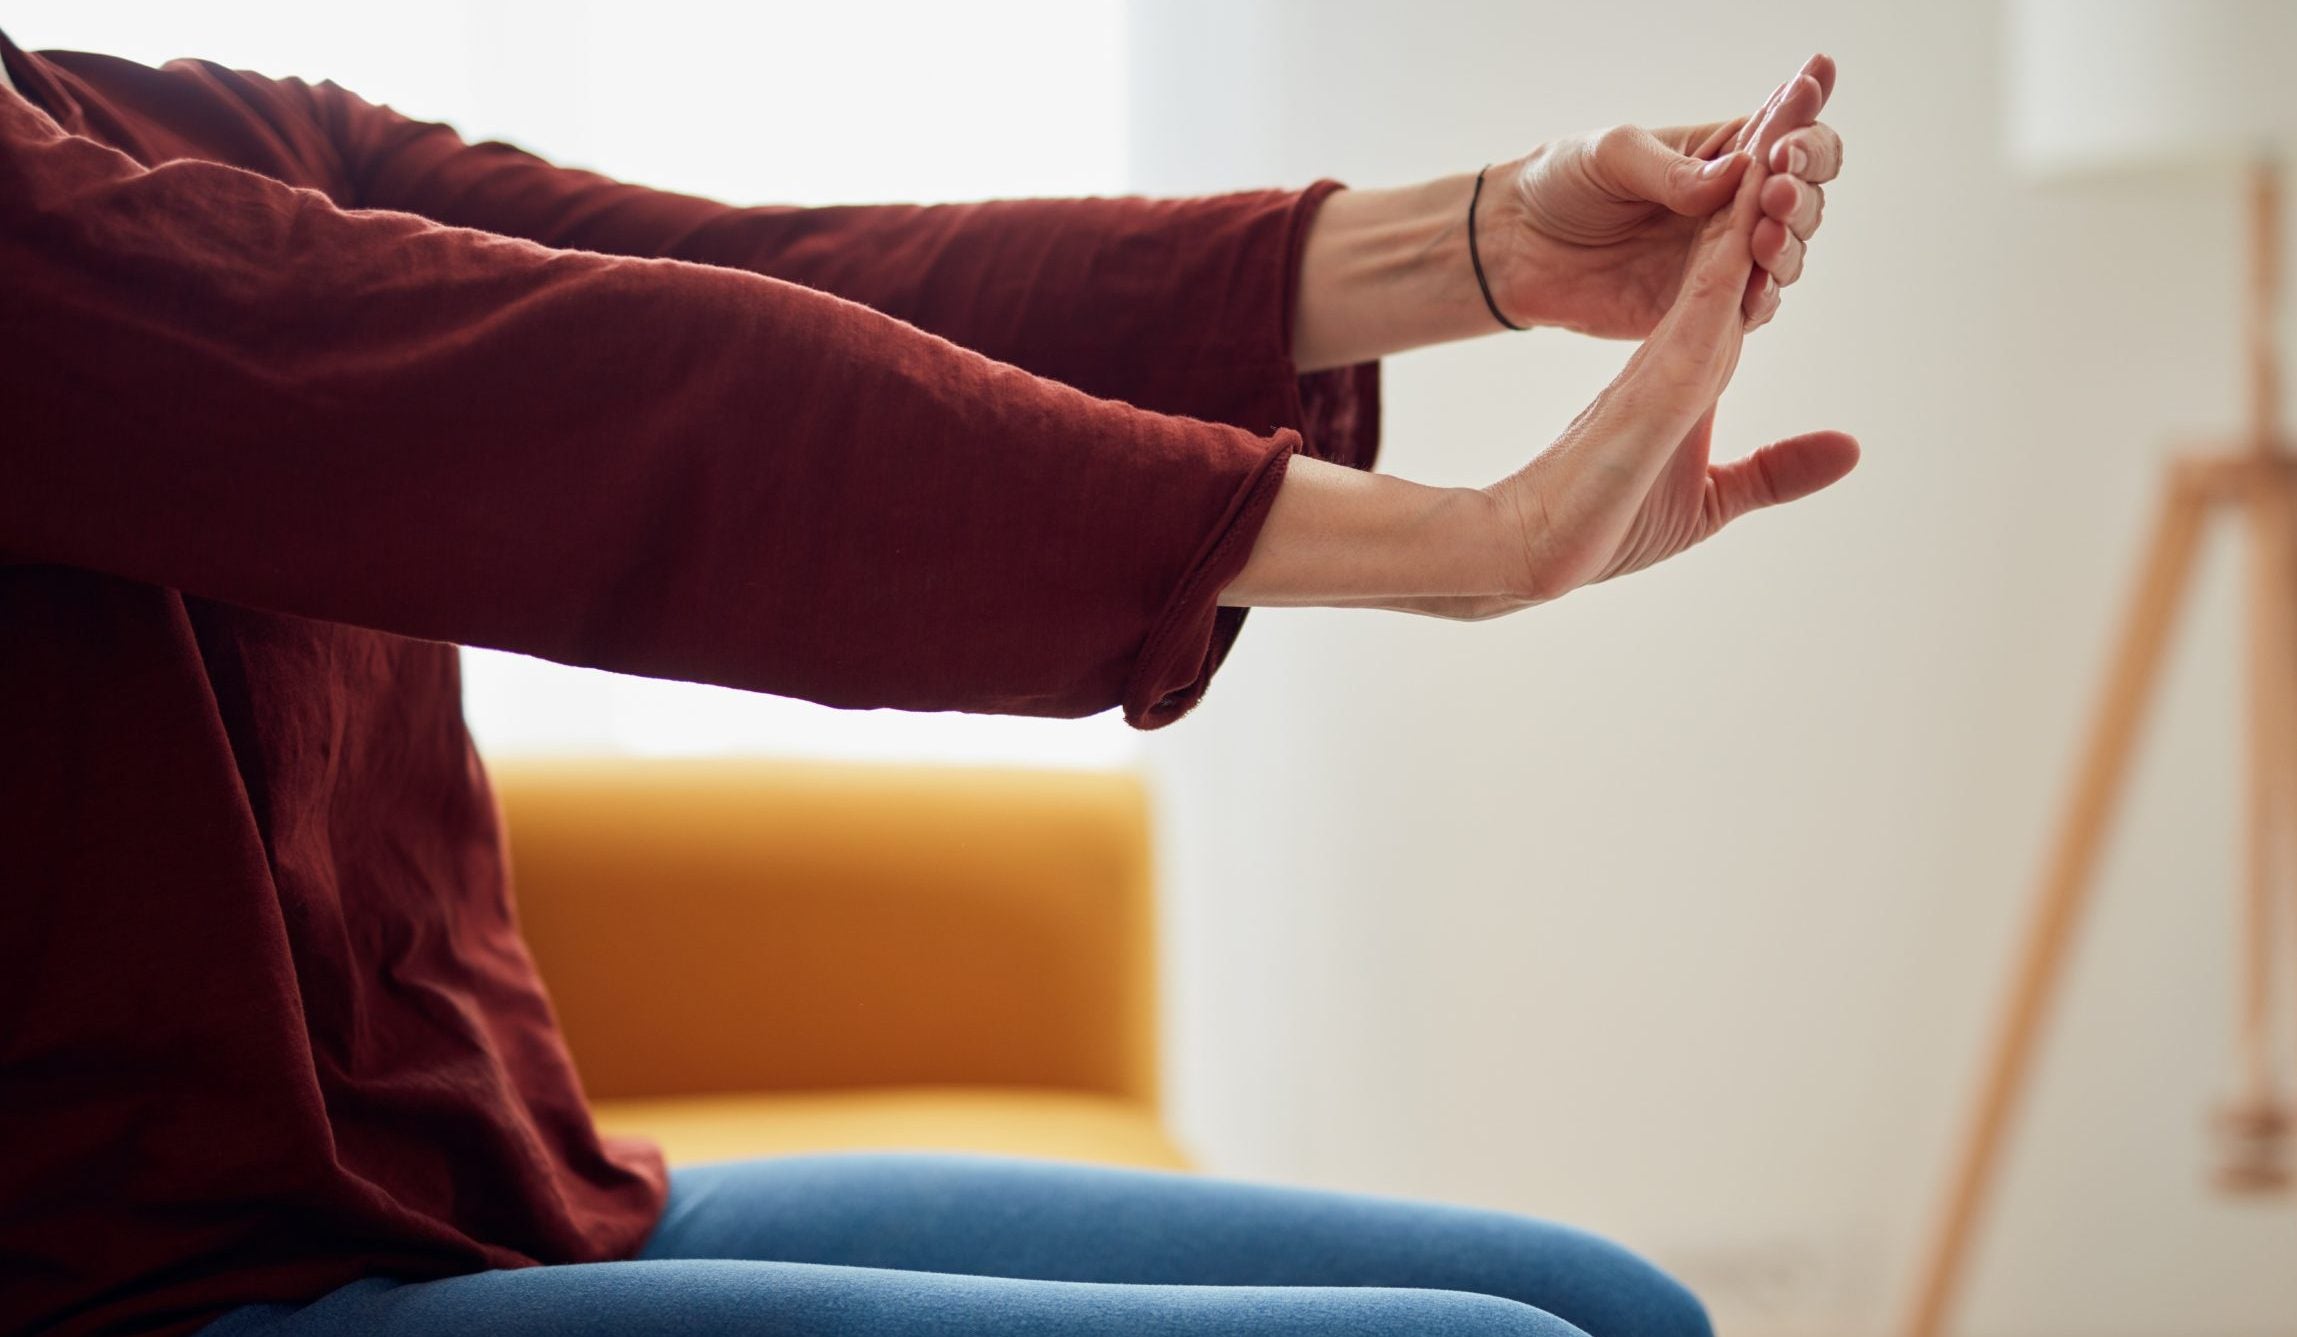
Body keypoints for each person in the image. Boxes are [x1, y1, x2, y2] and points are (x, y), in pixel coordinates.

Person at [0, 27, 1850, 1337]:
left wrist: (1482, 244)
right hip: (144, 1292)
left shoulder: (156, 122)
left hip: (507, 1203)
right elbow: (620, 401)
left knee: (1615, 1310)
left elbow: (780, 278)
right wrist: (1466, 540)